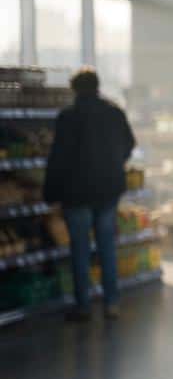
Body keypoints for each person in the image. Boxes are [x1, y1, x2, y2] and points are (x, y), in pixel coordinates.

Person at [43, 68, 136, 322]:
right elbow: (129, 145)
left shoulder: (68, 117)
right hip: (108, 189)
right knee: (107, 246)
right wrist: (115, 163)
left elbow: (58, 158)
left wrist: (50, 193)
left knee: (80, 249)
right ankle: (112, 303)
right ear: (97, 86)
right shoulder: (115, 113)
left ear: (75, 90)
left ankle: (83, 306)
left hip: (76, 193)